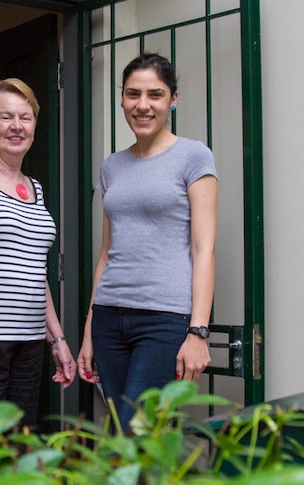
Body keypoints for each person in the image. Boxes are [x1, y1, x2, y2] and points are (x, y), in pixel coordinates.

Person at [76, 53, 219, 432]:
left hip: (164, 319)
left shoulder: (193, 156)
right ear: (121, 99)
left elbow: (204, 250)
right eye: (132, 94)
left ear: (173, 99)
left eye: (155, 95)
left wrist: (198, 332)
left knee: (137, 437)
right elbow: (107, 253)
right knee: (124, 434)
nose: (143, 105)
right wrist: (90, 330)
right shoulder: (112, 166)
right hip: (109, 317)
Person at [0, 78, 76, 427]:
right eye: (6, 117)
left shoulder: (36, 188)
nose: (16, 127)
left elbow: (33, 272)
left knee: (19, 446)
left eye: (25, 118)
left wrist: (56, 339)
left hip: (29, 344)